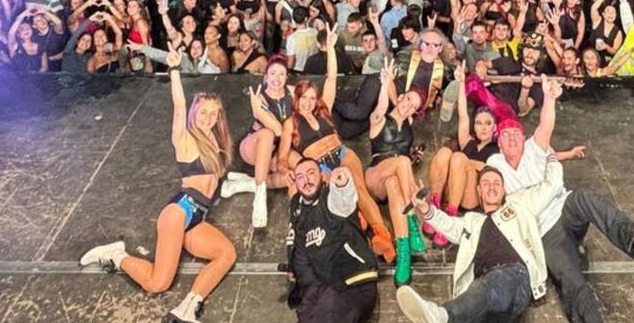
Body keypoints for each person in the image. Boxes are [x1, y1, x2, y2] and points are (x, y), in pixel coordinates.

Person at [487, 77, 634, 323]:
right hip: (544, 233)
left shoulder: (534, 149)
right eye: (506, 136)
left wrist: (549, 98)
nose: (513, 139)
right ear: (499, 143)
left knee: (585, 196)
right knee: (573, 281)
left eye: (516, 134)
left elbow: (545, 127)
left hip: (565, 209)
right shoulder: (494, 165)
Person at [79, 49, 236, 323]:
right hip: (179, 212)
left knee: (226, 254)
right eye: (203, 112)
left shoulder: (217, 144)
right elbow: (178, 108)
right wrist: (174, 70)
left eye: (214, 113)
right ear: (195, 113)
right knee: (157, 282)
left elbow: (216, 183)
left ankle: (189, 307)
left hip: (198, 217)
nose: (208, 117)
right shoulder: (186, 139)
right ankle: (116, 256)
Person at [395, 158, 563, 323]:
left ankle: (442, 316)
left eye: (497, 183)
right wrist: (426, 209)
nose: (492, 187)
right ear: (479, 191)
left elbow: (553, 185)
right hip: (484, 296)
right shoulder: (472, 221)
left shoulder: (519, 206)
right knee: (480, 295)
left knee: (487, 286)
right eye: (486, 183)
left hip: (515, 278)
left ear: (504, 189)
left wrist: (552, 158)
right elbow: (449, 225)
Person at [278, 36, 396, 262]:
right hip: (321, 164)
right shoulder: (290, 124)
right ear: (297, 99)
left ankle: (383, 236)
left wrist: (331, 47)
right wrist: (286, 171)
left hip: (342, 153)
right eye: (304, 98)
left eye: (312, 98)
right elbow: (282, 158)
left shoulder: (323, 111)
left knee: (358, 188)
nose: (308, 103)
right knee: (343, 191)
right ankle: (361, 225)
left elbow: (332, 77)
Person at [287, 160, 380, 323]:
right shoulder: (298, 209)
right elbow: (301, 255)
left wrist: (343, 184)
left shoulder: (330, 200)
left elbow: (344, 199)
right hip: (325, 289)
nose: (306, 180)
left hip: (355, 283)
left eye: (311, 173)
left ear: (322, 176)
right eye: (300, 177)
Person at [364, 60, 426, 285]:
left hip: (392, 181)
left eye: (414, 106)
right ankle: (413, 219)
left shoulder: (408, 126)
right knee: (401, 162)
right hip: (373, 176)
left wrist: (414, 155)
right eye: (408, 99)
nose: (409, 105)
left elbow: (405, 163)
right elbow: (380, 109)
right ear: (399, 97)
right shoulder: (380, 121)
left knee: (394, 183)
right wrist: (385, 84)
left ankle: (404, 257)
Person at [423, 63, 499, 247]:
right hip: (451, 188)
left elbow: (489, 172)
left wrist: (466, 163)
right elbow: (463, 115)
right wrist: (461, 82)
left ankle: (450, 217)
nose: (482, 127)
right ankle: (435, 205)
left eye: (487, 123)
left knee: (457, 157)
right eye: (479, 123)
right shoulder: (469, 142)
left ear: (494, 128)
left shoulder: (497, 150)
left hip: (471, 197)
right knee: (443, 153)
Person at [221, 56, 293, 228]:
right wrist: (258, 111)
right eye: (273, 73)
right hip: (253, 147)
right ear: (266, 76)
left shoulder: (291, 92)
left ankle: (245, 183)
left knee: (290, 177)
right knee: (267, 133)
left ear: (287, 77)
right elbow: (277, 130)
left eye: (282, 74)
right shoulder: (259, 98)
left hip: (273, 152)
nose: (277, 78)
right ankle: (259, 199)